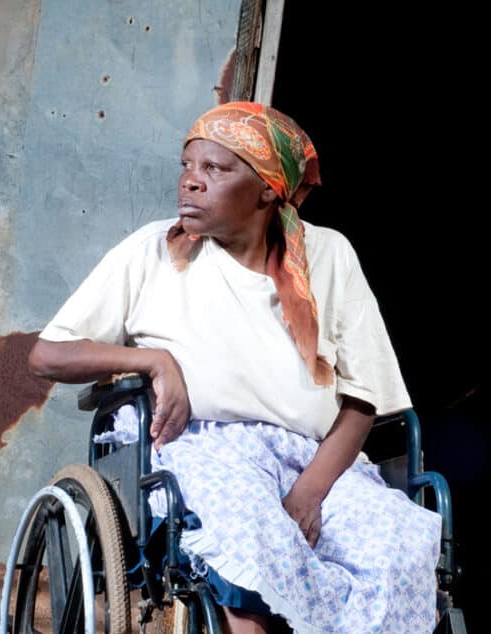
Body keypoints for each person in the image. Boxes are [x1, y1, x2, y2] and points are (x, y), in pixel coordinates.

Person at [28, 101, 441, 633]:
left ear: (268, 188)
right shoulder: (153, 251)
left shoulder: (329, 256)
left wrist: (310, 494)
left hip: (314, 460)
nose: (190, 183)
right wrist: (153, 360)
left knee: (397, 545)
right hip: (200, 446)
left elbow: (365, 398)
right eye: (187, 166)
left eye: (215, 169)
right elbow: (48, 354)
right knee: (255, 539)